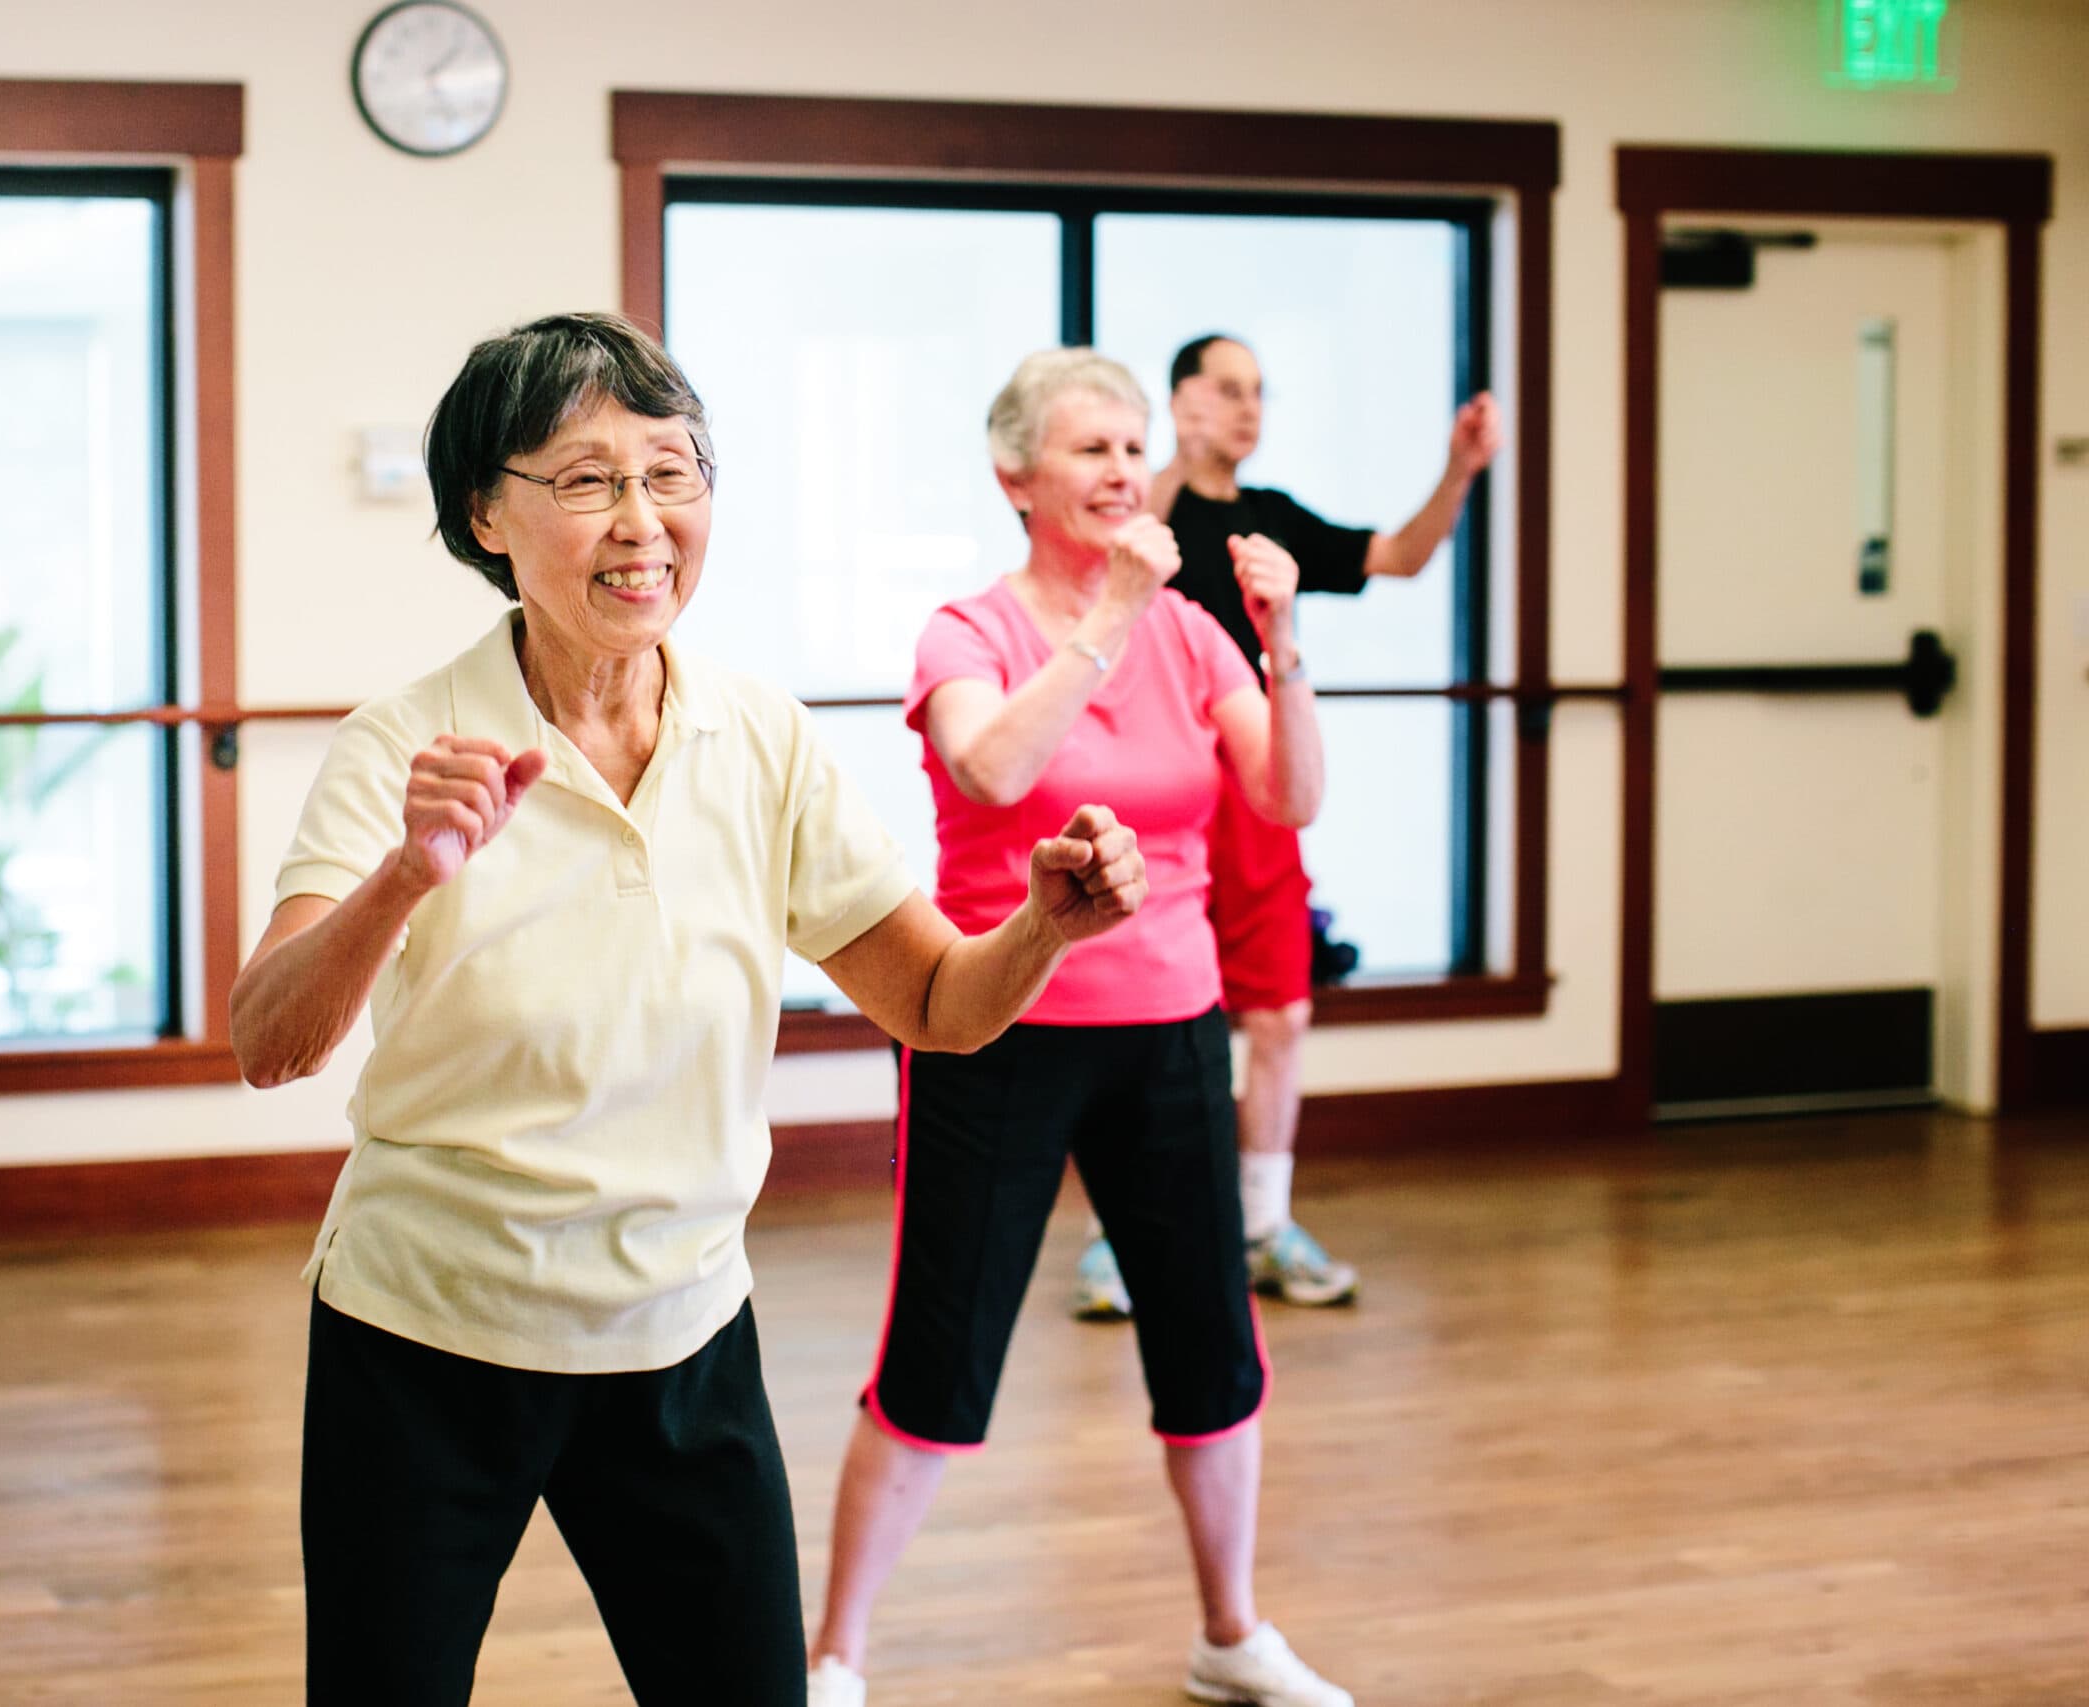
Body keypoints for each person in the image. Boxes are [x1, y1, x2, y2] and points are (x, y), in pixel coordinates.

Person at [231, 313, 1152, 1707]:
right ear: (487, 509)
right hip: (429, 1330)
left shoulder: (759, 735)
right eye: (590, 478)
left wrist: (1042, 927)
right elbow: (270, 1039)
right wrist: (401, 879)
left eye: (675, 472)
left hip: (679, 1328)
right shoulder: (405, 741)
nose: (645, 519)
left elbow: (939, 1004)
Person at [806, 349, 1351, 1707]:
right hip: (994, 1021)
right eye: (1089, 450)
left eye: (1130, 447)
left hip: (1169, 1027)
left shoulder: (1193, 629)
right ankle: (834, 1658)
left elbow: (1286, 799)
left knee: (1213, 1349)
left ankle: (1231, 1632)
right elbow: (993, 763)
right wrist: (1106, 615)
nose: (1121, 470)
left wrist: (1284, 645)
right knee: (933, 1357)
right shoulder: (970, 629)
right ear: (1016, 478)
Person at [1073, 332, 1503, 1317]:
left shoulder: (1269, 525)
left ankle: (1262, 1224)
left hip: (1258, 786)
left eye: (1258, 392)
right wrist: (1154, 465)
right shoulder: (1138, 516)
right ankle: (1113, 1237)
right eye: (1225, 390)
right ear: (1178, 405)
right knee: (1134, 1019)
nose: (1246, 408)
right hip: (1153, 787)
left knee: (1279, 1012)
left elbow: (1398, 555)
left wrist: (1459, 468)